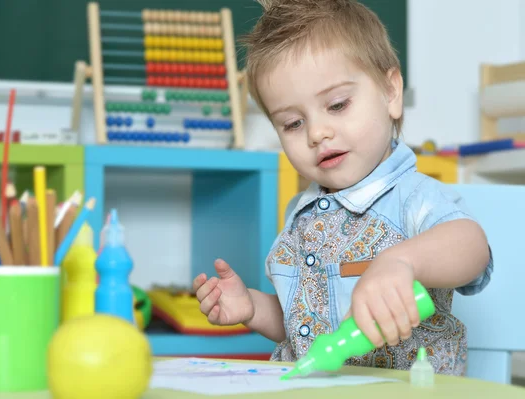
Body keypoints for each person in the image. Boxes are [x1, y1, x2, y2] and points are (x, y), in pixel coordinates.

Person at [192, 0, 493, 376]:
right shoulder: (300, 217)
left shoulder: (411, 197)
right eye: (293, 123)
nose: (317, 133)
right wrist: (252, 308)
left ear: (390, 92)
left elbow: (471, 246)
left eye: (336, 105)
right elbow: (306, 326)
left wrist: (400, 261)